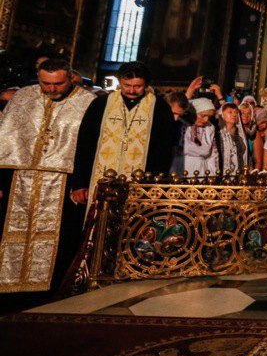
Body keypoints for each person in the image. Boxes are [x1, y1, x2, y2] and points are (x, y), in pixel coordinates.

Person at [0, 59, 94, 296]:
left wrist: (80, 183)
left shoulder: (88, 102)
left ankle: (49, 288)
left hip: (63, 181)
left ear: (71, 77)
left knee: (59, 239)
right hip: (19, 178)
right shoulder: (22, 97)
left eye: (58, 84)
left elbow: (87, 148)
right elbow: (5, 139)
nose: (52, 89)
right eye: (46, 83)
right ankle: (8, 285)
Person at [72, 62, 177, 205]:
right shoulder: (101, 104)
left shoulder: (159, 108)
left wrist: (154, 184)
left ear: (146, 84)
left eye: (137, 86)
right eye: (127, 85)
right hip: (100, 179)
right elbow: (85, 143)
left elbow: (164, 149)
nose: (132, 91)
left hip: (141, 182)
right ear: (120, 81)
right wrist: (79, 182)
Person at [182, 98, 218, 174]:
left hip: (203, 169)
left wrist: (212, 174)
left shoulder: (210, 127)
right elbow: (184, 147)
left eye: (209, 117)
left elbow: (212, 156)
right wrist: (204, 150)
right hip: (183, 166)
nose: (206, 120)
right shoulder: (184, 125)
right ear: (194, 112)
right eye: (203, 115)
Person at [217, 102, 250, 174]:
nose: (234, 115)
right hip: (222, 172)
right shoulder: (218, 134)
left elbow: (245, 155)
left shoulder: (241, 134)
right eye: (230, 112)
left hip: (240, 173)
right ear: (222, 115)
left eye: (236, 112)